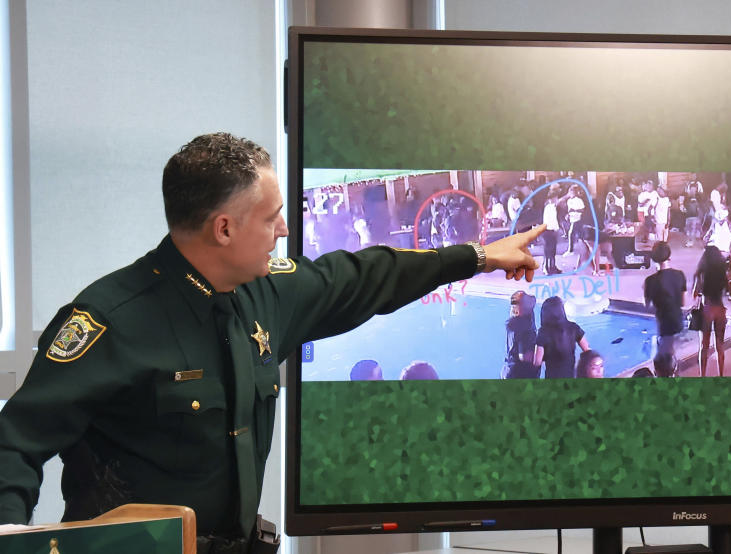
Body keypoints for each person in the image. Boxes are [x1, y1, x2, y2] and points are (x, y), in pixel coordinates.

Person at [0, 133, 544, 548]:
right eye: (272, 217)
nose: (284, 229)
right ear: (224, 229)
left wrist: (477, 257)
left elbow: (362, 274)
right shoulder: (111, 320)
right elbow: (15, 443)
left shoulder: (268, 293)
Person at [643, 242, 687, 361]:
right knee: (672, 353)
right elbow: (683, 302)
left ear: (654, 259)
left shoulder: (650, 281)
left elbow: (648, 306)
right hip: (677, 321)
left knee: (664, 356)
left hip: (664, 324)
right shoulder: (680, 275)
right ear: (669, 256)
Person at [692, 246, 731, 377]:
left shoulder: (702, 273)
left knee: (704, 347)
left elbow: (695, 293)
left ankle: (702, 375)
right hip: (720, 309)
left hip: (707, 309)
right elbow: (729, 291)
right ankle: (721, 374)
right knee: (720, 346)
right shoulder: (722, 272)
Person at [533, 296, 589, 379]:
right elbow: (587, 350)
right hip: (570, 375)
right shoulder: (574, 327)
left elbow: (537, 362)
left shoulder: (543, 332)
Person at [502, 291, 539, 379]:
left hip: (509, 371)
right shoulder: (525, 327)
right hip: (520, 375)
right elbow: (524, 356)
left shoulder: (512, 324)